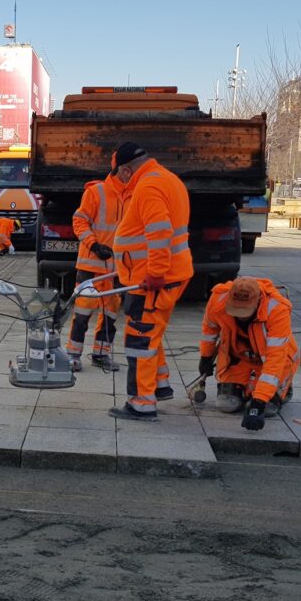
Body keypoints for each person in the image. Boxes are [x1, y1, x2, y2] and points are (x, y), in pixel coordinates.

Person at [108, 142, 193, 421]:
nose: (122, 182)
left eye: (120, 175)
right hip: (164, 274)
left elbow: (159, 231)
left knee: (139, 339)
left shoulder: (147, 186)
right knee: (152, 332)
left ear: (126, 169)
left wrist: (155, 273)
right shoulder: (169, 179)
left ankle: (141, 403)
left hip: (152, 279)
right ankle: (159, 384)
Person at [198, 277, 299, 431]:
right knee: (226, 404)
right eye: (236, 309)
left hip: (273, 361)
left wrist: (258, 403)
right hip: (239, 357)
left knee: (268, 409)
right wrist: (206, 356)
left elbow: (275, 358)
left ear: (258, 301)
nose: (240, 316)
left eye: (245, 311)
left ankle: (282, 389)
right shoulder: (218, 299)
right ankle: (248, 391)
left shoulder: (277, 309)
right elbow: (209, 330)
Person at [65, 165, 131, 371]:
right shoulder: (95, 192)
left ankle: (101, 354)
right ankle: (73, 355)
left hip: (116, 269)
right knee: (82, 313)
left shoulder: (134, 195)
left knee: (110, 315)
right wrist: (94, 245)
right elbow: (79, 221)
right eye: (131, 170)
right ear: (122, 169)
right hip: (91, 266)